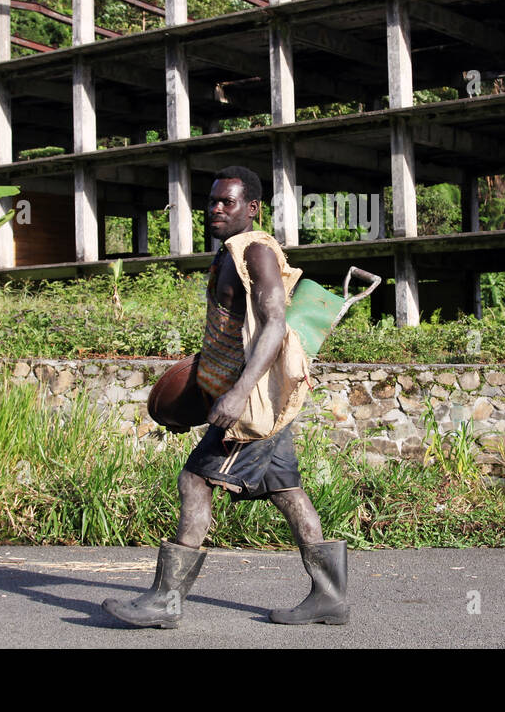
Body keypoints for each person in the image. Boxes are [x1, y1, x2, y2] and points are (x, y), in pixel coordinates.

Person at [102, 166, 349, 628]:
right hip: (261, 401)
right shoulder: (231, 253)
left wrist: (237, 393)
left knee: (194, 482)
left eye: (227, 202)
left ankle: (164, 603)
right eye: (211, 201)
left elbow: (274, 323)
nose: (215, 209)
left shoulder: (256, 251)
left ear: (252, 208)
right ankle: (330, 597)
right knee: (287, 491)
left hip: (252, 405)